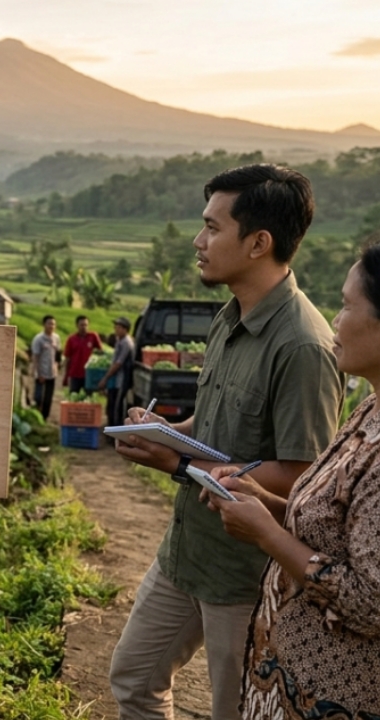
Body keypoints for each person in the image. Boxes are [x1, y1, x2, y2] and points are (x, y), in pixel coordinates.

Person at [110, 164, 344, 720]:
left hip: (244, 575)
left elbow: (302, 480)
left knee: (234, 710)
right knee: (134, 678)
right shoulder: (229, 317)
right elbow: (211, 428)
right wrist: (164, 432)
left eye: (213, 228)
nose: (198, 241)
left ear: (259, 242)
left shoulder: (303, 347)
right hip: (187, 551)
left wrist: (174, 463)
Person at [205, 243, 380, 718]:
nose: (336, 322)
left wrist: (266, 533)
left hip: (338, 695)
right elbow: (335, 529)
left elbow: (370, 601)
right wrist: (264, 500)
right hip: (294, 678)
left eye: (346, 305)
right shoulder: (369, 409)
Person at [96, 316, 135, 428]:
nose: (115, 329)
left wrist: (105, 378)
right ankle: (111, 430)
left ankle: (116, 434)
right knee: (111, 405)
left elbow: (118, 363)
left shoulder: (126, 343)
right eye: (115, 327)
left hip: (121, 380)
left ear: (125, 329)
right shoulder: (119, 340)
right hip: (115, 380)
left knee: (117, 408)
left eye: (118, 327)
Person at [29, 314, 61, 419]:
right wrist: (38, 373)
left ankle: (45, 417)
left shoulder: (56, 338)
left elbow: (58, 354)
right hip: (41, 373)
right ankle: (35, 417)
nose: (51, 326)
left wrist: (57, 366)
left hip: (52, 373)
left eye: (53, 324)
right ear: (44, 324)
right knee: (38, 398)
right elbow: (35, 358)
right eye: (49, 323)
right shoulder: (38, 339)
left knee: (48, 398)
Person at [62, 315, 103, 393]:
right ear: (77, 325)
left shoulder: (93, 336)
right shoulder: (71, 339)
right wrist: (66, 375)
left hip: (89, 374)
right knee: (74, 396)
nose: (84, 327)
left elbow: (101, 352)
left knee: (89, 397)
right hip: (75, 373)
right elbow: (67, 358)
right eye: (82, 325)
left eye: (86, 325)